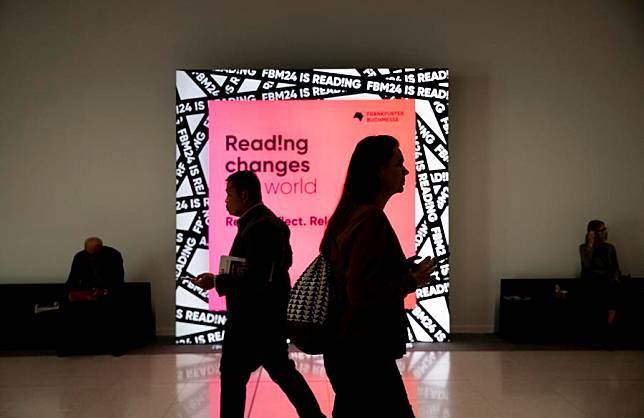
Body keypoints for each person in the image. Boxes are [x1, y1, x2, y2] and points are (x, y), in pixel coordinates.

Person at [320, 135, 439, 418]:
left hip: (346, 347)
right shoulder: (370, 219)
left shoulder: (349, 215)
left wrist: (404, 272)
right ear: (379, 170)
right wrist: (412, 281)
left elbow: (359, 276)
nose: (406, 171)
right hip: (365, 351)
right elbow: (363, 292)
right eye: (399, 164)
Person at [192, 170, 325, 418]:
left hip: (252, 320)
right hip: (264, 319)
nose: (225, 200)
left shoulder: (260, 226)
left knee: (236, 376)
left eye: (229, 194)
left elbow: (258, 276)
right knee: (280, 371)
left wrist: (217, 281)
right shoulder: (265, 222)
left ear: (244, 194)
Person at [58, 237, 126, 356]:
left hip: (108, 291)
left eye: (94, 253)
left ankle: (117, 347)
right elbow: (72, 279)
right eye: (88, 253)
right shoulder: (80, 257)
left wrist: (103, 291)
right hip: (87, 291)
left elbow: (118, 281)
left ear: (101, 248)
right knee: (66, 305)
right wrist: (71, 294)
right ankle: (66, 348)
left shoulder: (113, 256)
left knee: (115, 304)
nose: (91, 257)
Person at [579, 220, 621, 346]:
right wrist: (590, 244)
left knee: (613, 294)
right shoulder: (583, 248)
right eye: (602, 230)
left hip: (608, 280)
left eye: (605, 229)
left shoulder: (610, 248)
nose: (605, 232)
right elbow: (586, 265)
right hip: (592, 281)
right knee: (597, 293)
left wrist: (615, 278)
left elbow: (616, 267)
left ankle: (609, 331)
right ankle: (599, 335)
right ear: (594, 233)